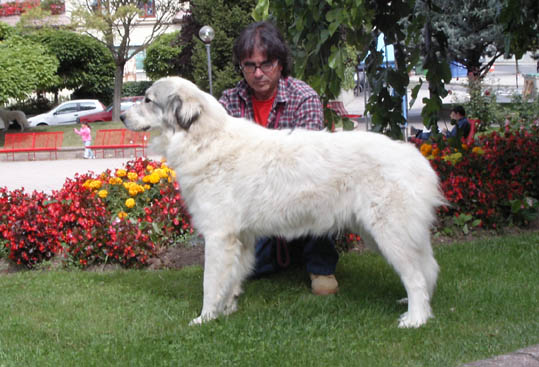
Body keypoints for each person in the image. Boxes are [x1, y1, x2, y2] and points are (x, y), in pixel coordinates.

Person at [219, 21, 339, 296]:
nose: (258, 73)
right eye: (249, 65)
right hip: (255, 201)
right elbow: (224, 162)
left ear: (281, 63)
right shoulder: (228, 102)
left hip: (298, 191)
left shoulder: (303, 97)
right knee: (257, 267)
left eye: (266, 64)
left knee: (321, 191)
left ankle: (320, 266)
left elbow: (306, 162)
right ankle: (284, 252)